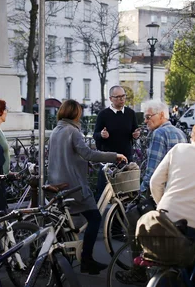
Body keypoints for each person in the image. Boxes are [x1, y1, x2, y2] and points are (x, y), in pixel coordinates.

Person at [48, 99, 127, 274]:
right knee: (95, 218)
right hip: (73, 186)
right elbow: (88, 153)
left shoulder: (56, 130)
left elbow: (66, 156)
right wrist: (115, 156)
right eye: (79, 112)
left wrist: (84, 163)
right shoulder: (72, 131)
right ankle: (87, 260)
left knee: (68, 223)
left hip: (56, 183)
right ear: (75, 113)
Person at [92, 86, 140, 199]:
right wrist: (102, 135)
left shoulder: (130, 113)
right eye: (118, 97)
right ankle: (102, 215)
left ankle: (124, 215)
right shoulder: (103, 114)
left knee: (126, 193)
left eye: (123, 96)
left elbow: (135, 131)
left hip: (126, 158)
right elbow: (95, 135)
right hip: (108, 159)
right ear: (111, 98)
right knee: (104, 192)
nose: (121, 99)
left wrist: (136, 135)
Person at [140, 99, 188, 193]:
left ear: (161, 115)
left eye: (148, 117)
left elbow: (153, 170)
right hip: (180, 187)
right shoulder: (180, 132)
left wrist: (142, 190)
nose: (145, 121)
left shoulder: (159, 133)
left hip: (163, 191)